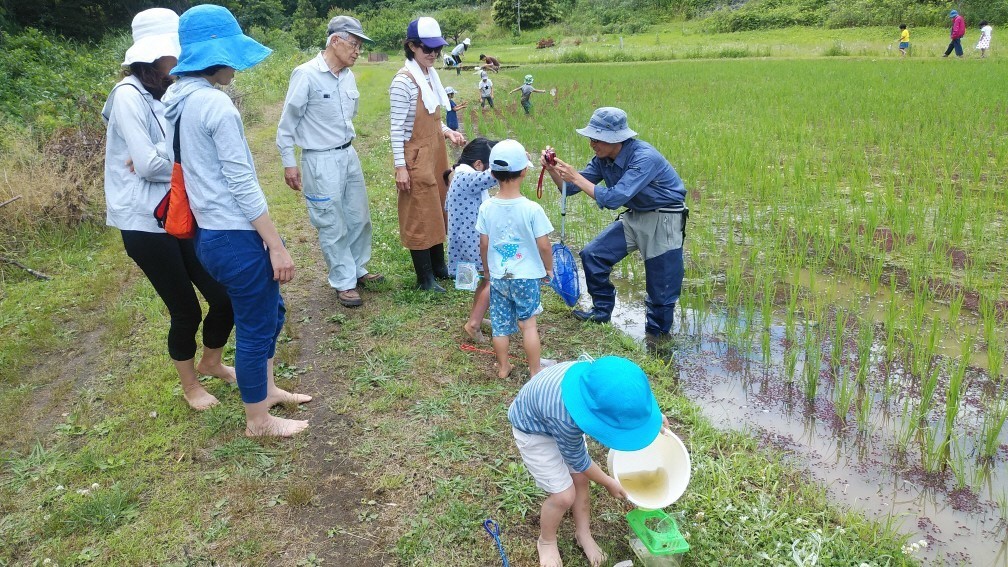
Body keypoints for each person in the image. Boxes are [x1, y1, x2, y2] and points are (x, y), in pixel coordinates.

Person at [163, 4, 312, 437]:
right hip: (233, 233)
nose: (235, 66)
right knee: (255, 323)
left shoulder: (179, 101)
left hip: (210, 234)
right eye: (230, 54)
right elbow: (242, 184)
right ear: (216, 55)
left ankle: (265, 389)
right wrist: (276, 243)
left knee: (271, 310)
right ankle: (258, 420)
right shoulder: (216, 107)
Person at [102, 7, 235, 412]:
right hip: (143, 222)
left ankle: (211, 362)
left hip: (177, 211)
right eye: (173, 53)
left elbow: (173, 155)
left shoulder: (168, 92)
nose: (180, 60)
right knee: (186, 309)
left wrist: (173, 161)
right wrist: (179, 163)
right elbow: (147, 164)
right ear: (152, 57)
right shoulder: (128, 96)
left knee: (223, 295)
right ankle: (190, 385)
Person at [541, 107, 687, 347]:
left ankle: (657, 340)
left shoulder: (644, 157)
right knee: (593, 254)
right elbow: (572, 188)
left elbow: (613, 198)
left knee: (661, 288)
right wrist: (553, 170)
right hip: (635, 215)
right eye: (591, 138)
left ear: (615, 138)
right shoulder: (603, 159)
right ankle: (601, 311)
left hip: (664, 219)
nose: (592, 144)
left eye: (597, 139)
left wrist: (575, 176)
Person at [508, 355, 667, 567]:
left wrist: (650, 421)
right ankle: (546, 541)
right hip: (534, 430)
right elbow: (580, 460)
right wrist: (608, 482)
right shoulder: (565, 418)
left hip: (562, 415)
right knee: (564, 495)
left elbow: (630, 400)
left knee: (580, 481)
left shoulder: (596, 384)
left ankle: (583, 534)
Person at [276, 16, 382, 309]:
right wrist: (289, 162)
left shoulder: (347, 75)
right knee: (331, 221)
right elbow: (287, 125)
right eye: (354, 43)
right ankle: (343, 281)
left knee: (358, 216)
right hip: (320, 159)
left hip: (348, 154)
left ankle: (358, 268)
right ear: (335, 41)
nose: (358, 50)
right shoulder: (306, 75)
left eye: (360, 45)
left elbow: (350, 114)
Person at [389, 17, 466, 293]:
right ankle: (425, 279)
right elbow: (397, 130)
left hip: (436, 152)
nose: (433, 54)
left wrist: (448, 132)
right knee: (420, 211)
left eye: (437, 49)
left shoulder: (429, 76)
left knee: (437, 206)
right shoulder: (404, 82)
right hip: (416, 156)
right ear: (412, 46)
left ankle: (439, 267)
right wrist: (401, 167)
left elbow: (433, 117)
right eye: (426, 48)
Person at [476, 139, 553, 378]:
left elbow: (484, 243)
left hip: (499, 277)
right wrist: (549, 270)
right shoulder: (531, 209)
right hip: (526, 277)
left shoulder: (487, 207)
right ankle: (535, 370)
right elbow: (544, 246)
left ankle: (503, 368)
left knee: (500, 326)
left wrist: (488, 271)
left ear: (492, 173)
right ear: (524, 171)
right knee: (528, 324)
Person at [444, 137, 498, 343]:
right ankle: (473, 325)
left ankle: (477, 316)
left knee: (485, 280)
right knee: (493, 278)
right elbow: (495, 176)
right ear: (478, 165)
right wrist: (514, 160)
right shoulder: (467, 178)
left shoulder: (458, 176)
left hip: (466, 239)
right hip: (473, 241)